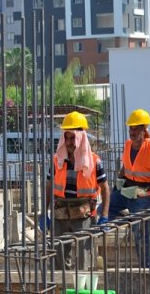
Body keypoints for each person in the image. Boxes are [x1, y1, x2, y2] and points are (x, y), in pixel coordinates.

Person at [43, 112, 110, 270]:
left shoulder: (94, 161)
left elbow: (105, 188)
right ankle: (62, 285)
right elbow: (49, 186)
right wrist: (44, 213)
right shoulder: (57, 160)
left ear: (81, 137)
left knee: (84, 259)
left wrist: (104, 216)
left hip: (83, 214)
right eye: (66, 138)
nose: (69, 142)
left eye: (72, 138)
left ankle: (82, 285)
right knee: (58, 257)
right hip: (60, 212)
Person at [108, 109, 150, 268]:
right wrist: (117, 185)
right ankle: (128, 220)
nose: (132, 132)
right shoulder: (128, 145)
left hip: (144, 196)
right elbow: (126, 167)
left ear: (144, 129)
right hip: (127, 191)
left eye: (136, 129)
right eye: (131, 128)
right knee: (106, 208)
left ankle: (146, 270)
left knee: (142, 236)